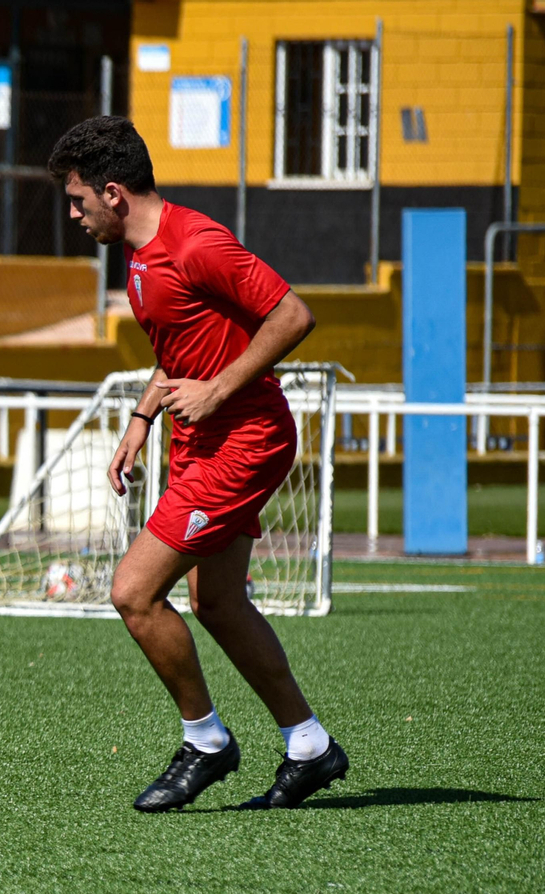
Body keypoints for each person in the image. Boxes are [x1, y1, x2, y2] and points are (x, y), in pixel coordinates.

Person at [47, 116, 348, 811]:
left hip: (245, 442)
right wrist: (142, 418)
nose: (73, 214)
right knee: (216, 602)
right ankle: (309, 746)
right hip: (201, 443)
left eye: (77, 200)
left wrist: (218, 389)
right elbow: (185, 348)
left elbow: (293, 315)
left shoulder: (196, 242)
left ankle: (206, 741)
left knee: (133, 591)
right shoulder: (141, 251)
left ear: (114, 192)